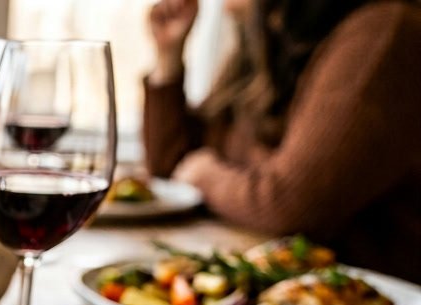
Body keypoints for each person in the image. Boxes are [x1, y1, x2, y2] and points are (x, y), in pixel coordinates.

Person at [144, 0, 421, 280]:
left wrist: (206, 176)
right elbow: (172, 168)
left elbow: (290, 205)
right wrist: (168, 60)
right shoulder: (268, 37)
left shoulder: (385, 32)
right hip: (270, 286)